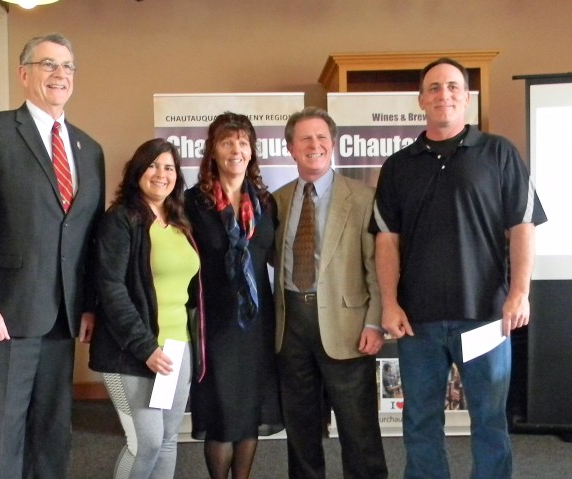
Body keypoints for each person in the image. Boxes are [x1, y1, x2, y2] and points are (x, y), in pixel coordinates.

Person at [370, 57, 547, 479]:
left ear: (466, 98)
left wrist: (519, 293)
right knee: (420, 423)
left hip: (486, 317)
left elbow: (521, 227)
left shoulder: (499, 152)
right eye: (433, 88)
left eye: (452, 87)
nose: (443, 94)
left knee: (489, 421)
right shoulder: (398, 165)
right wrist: (390, 303)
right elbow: (386, 240)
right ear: (420, 100)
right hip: (418, 322)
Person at [0, 33, 105, 478]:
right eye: (48, 65)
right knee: (2, 439)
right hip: (4, 315)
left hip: (63, 319)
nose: (60, 75)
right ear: (24, 74)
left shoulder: (89, 149)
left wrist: (90, 304)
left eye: (67, 66)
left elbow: (88, 234)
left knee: (52, 436)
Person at [273, 106, 388, 479]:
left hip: (349, 327)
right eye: (305, 138)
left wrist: (375, 323)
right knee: (301, 430)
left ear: (333, 144)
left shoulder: (363, 197)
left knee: (359, 430)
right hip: (291, 326)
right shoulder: (277, 201)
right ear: (290, 147)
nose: (315, 145)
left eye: (322, 137)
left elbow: (378, 268)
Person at [89, 138, 202, 479]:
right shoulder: (121, 220)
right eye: (152, 165)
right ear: (138, 170)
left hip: (176, 346)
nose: (160, 174)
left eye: (169, 167)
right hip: (132, 351)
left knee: (168, 440)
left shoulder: (180, 220)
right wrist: (145, 347)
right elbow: (111, 289)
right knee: (146, 442)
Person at [184, 112, 283, 479]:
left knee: (248, 413)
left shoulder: (265, 203)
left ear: (252, 151)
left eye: (243, 142)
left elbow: (273, 257)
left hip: (257, 323)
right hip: (216, 323)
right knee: (222, 412)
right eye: (227, 142)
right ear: (212, 151)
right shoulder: (192, 203)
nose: (235, 149)